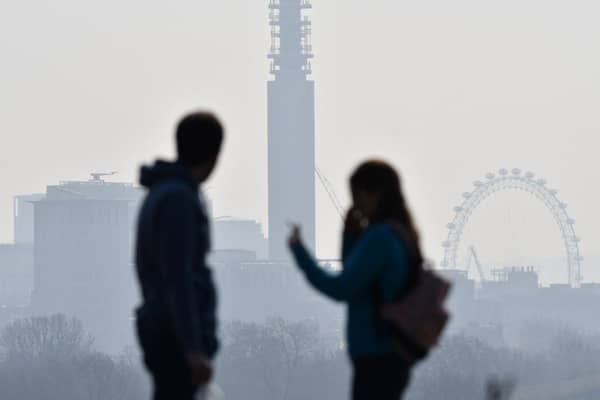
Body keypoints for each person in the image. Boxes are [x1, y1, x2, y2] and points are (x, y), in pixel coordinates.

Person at [288, 160, 423, 400]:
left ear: (375, 194)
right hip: (391, 354)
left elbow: (341, 287)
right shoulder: (400, 234)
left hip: (376, 355)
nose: (355, 204)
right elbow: (357, 276)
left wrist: (300, 253)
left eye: (358, 195)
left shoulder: (379, 239)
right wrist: (350, 235)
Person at [134, 112, 224, 400]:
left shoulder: (160, 193)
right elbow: (179, 278)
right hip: (174, 338)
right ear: (214, 154)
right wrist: (192, 348)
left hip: (161, 329)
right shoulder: (179, 200)